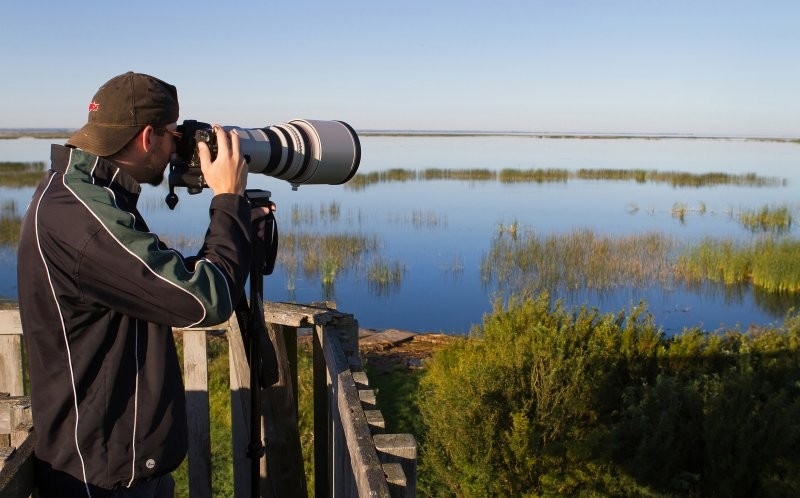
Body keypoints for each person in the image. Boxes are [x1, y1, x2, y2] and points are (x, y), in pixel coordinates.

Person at [17, 71, 262, 497]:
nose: (177, 150)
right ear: (148, 137)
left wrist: (238, 223)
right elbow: (204, 300)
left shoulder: (83, 197)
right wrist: (227, 200)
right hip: (103, 475)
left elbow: (154, 282)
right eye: (174, 136)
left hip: (114, 461)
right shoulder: (82, 217)